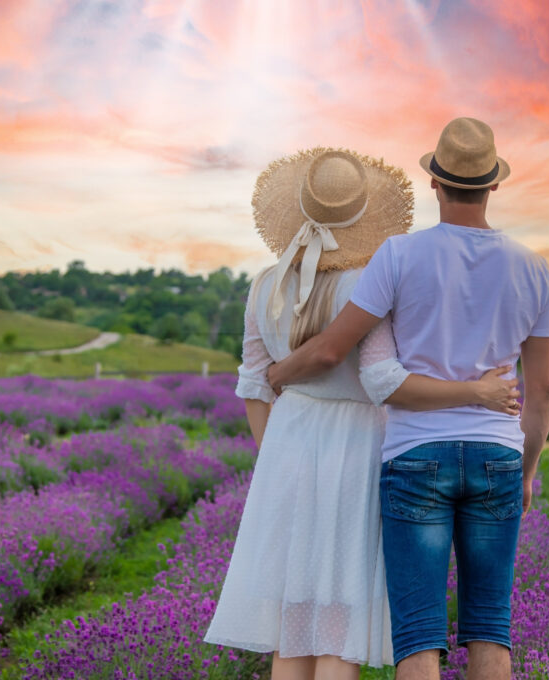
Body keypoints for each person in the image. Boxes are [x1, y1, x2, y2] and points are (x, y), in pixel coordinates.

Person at [203, 147, 524, 680]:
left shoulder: (265, 285)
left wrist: (273, 454)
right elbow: (382, 380)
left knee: (294, 617)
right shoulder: (370, 284)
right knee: (338, 617)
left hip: (287, 443)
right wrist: (474, 391)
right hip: (357, 445)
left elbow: (253, 383)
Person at [267, 119, 549, 680]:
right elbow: (542, 389)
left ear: (434, 183)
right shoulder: (532, 267)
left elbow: (332, 349)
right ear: (494, 184)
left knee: (419, 636)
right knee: (490, 629)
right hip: (497, 453)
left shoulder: (399, 256)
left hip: (416, 456)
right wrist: (526, 469)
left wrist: (278, 373)